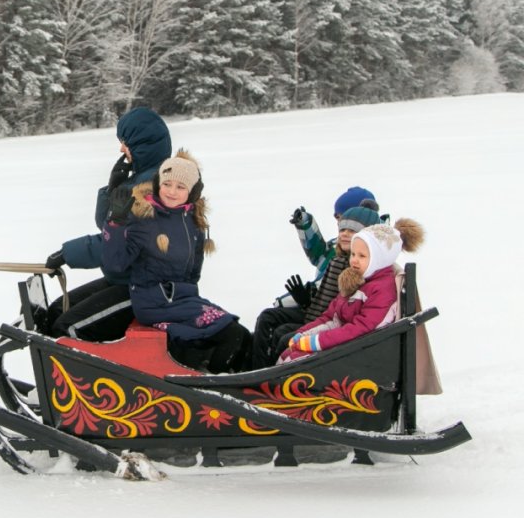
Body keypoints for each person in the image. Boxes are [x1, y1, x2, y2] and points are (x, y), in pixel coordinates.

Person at [100, 151, 251, 373]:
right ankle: (220, 386)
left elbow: (193, 274)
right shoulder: (145, 218)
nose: (171, 192)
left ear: (192, 192)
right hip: (155, 303)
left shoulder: (192, 222)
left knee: (242, 336)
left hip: (182, 300)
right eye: (167, 184)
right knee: (233, 336)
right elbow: (115, 263)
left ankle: (242, 382)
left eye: (180, 187)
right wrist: (115, 224)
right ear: (158, 183)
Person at [36, 107, 171, 340]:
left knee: (67, 330)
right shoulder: (139, 180)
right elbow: (108, 227)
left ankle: (75, 377)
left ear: (143, 145)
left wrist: (69, 254)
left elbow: (124, 243)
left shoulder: (157, 187)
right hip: (126, 280)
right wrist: (113, 189)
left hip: (149, 289)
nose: (121, 149)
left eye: (125, 142)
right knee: (57, 311)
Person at [250, 200, 382, 369]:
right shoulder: (337, 259)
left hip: (330, 322)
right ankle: (256, 369)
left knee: (283, 336)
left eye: (351, 231)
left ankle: (269, 377)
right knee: (268, 317)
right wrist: (306, 300)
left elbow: (343, 308)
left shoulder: (358, 265)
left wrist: (307, 302)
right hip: (317, 312)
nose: (344, 234)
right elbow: (323, 285)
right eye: (342, 229)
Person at [279, 218, 424, 363]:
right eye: (353, 254)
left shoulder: (382, 290)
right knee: (289, 352)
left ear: (379, 260)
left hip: (360, 353)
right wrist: (303, 334)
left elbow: (360, 329)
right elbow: (331, 316)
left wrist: (317, 341)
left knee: (293, 360)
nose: (354, 260)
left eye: (362, 256)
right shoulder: (357, 280)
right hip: (345, 345)